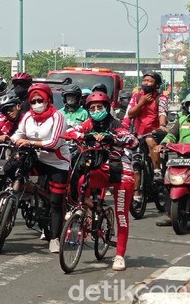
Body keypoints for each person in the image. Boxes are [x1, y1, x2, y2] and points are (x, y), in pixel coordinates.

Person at [66, 91, 137, 271]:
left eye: (100, 107)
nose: (96, 110)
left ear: (107, 108)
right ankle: (87, 215)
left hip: (120, 172)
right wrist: (79, 136)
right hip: (98, 168)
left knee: (121, 215)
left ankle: (119, 255)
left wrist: (114, 138)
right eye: (92, 108)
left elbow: (130, 138)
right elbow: (72, 131)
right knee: (78, 183)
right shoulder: (88, 124)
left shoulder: (117, 125)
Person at [10, 83, 71, 254]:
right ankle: (25, 193)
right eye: (33, 101)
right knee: (12, 166)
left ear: (48, 100)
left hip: (58, 163)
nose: (37, 103)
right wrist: (14, 139)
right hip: (38, 159)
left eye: (40, 100)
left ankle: (55, 238)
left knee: (55, 202)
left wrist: (30, 142)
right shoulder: (28, 116)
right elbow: (18, 133)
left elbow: (54, 143)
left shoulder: (58, 117)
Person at [126, 70, 168, 202]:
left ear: (156, 84)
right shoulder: (136, 96)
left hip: (154, 134)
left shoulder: (161, 98)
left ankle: (157, 170)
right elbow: (130, 114)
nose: (146, 83)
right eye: (145, 80)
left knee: (150, 140)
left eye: (150, 81)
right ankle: (137, 195)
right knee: (136, 165)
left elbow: (162, 113)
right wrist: (142, 102)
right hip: (137, 135)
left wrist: (162, 125)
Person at [155, 93, 190, 227]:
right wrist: (163, 145)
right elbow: (171, 135)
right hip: (182, 157)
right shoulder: (181, 120)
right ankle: (170, 215)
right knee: (169, 182)